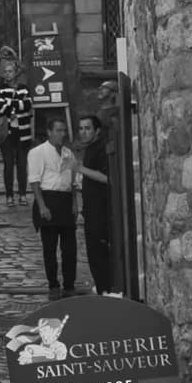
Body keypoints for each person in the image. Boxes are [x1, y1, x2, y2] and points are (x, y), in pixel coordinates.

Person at [29, 118, 82, 299]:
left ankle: (69, 284)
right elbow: (35, 181)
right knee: (50, 248)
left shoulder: (68, 154)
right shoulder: (38, 153)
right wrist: (42, 205)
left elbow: (73, 181)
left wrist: (75, 204)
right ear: (49, 132)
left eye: (63, 131)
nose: (62, 134)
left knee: (69, 248)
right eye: (58, 130)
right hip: (48, 199)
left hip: (65, 200)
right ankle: (53, 284)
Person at [75, 114, 115, 294]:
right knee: (93, 253)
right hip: (91, 210)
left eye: (87, 128)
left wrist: (80, 169)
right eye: (81, 128)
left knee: (99, 254)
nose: (83, 132)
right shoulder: (90, 148)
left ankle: (106, 290)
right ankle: (101, 288)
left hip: (101, 211)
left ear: (97, 131)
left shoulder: (100, 149)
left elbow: (108, 178)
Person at [0, 63, 35, 205]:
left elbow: (28, 105)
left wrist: (9, 104)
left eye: (10, 71)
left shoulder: (24, 89)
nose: (7, 74)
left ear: (16, 73)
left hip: (23, 132)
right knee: (8, 165)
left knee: (22, 165)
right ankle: (9, 196)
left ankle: (22, 195)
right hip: (7, 133)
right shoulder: (0, 89)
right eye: (5, 71)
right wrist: (16, 106)